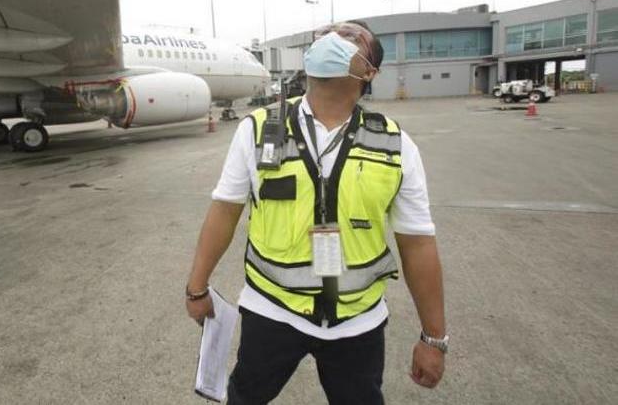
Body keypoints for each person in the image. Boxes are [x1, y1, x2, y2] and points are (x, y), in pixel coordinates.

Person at [185, 21, 447, 404]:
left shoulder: (395, 145)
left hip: (357, 323)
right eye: (327, 33)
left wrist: (434, 338)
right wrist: (196, 288)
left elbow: (418, 244)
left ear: (368, 71)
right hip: (271, 310)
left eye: (352, 37)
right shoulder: (256, 130)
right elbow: (224, 211)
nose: (334, 38)